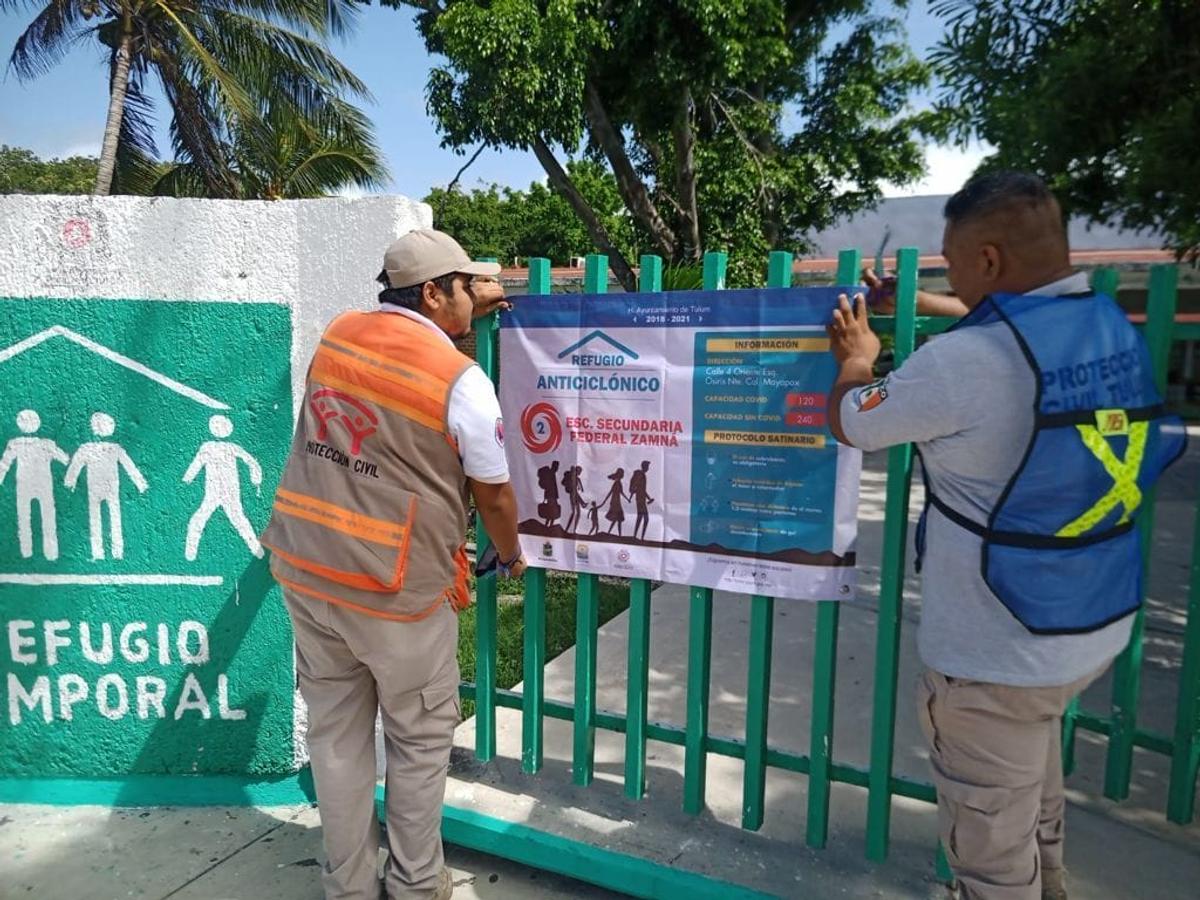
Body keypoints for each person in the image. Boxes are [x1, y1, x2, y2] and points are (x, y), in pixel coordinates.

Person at [826, 172, 1184, 900]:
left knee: (990, 853)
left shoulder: (963, 364)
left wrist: (857, 359)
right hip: (1087, 622)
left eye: (954, 264)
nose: (950, 278)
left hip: (994, 652)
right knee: (1029, 783)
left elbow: (853, 420)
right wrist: (919, 303)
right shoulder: (1106, 327)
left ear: (988, 259)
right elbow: (1008, 328)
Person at [262, 228, 526, 900]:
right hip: (395, 590)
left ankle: (349, 886)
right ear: (434, 293)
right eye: (466, 284)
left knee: (336, 739)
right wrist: (512, 551)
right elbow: (494, 493)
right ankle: (414, 884)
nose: (477, 294)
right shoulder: (460, 381)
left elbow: (392, 387)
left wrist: (460, 314)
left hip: (308, 571)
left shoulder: (340, 335)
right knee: (418, 742)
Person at [628, 460, 654, 541]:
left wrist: (649, 498)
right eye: (647, 466)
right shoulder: (640, 475)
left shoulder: (642, 475)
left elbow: (642, 490)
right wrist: (631, 495)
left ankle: (637, 536)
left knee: (641, 517)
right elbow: (635, 485)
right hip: (640, 499)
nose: (648, 468)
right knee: (644, 518)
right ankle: (638, 537)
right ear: (644, 467)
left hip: (641, 498)